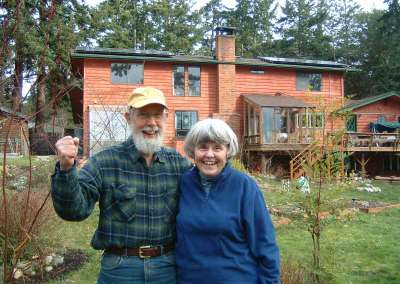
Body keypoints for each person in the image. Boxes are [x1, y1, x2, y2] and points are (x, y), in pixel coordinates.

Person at [51, 87, 191, 284]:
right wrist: (66, 169)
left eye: (158, 115)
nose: (152, 123)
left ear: (166, 118)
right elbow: (74, 211)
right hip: (120, 269)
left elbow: (205, 198)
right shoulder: (104, 162)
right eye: (143, 115)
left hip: (167, 267)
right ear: (128, 117)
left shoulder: (178, 164)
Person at [176, 118, 280, 284]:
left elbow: (265, 245)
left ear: (227, 151)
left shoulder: (245, 187)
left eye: (217, 148)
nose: (209, 154)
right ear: (193, 150)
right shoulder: (184, 184)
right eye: (203, 147)